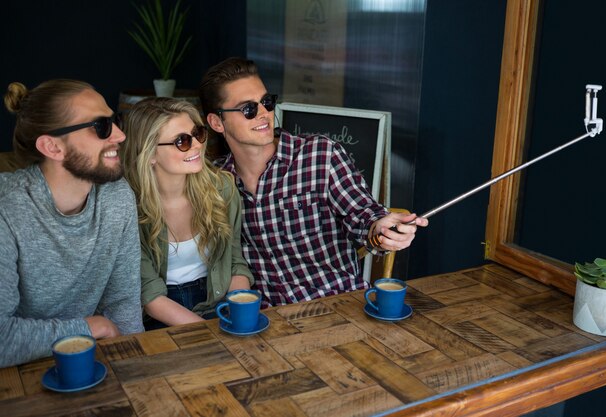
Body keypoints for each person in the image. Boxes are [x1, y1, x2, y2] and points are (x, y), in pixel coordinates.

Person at [199, 57, 428, 308]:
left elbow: (364, 214)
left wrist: (382, 229)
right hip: (268, 322)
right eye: (248, 109)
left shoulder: (320, 155)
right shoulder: (215, 182)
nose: (264, 113)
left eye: (266, 102)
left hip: (337, 306)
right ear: (217, 122)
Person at [0, 80, 143, 367]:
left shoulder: (116, 197)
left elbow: (123, 303)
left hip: (87, 363)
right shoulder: (8, 209)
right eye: (101, 126)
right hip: (16, 376)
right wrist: (91, 327)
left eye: (115, 121)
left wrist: (134, 371)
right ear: (52, 146)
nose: (120, 135)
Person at [121, 97, 253, 329]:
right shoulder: (129, 206)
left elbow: (234, 262)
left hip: (218, 299)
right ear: (150, 154)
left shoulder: (221, 188)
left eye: (198, 133)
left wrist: (238, 307)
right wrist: (207, 333)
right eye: (181, 141)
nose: (196, 145)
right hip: (161, 315)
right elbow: (150, 295)